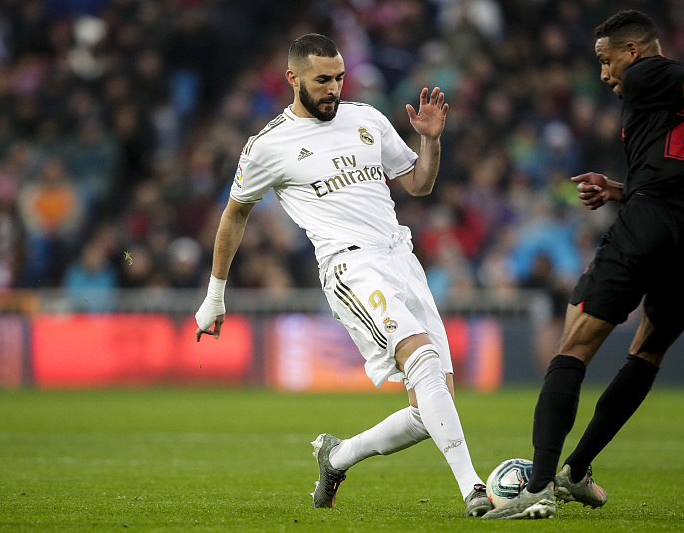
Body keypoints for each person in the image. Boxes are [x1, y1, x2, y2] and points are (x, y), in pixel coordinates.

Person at [484, 10, 684, 520]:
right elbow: (677, 170)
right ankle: (576, 471)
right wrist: (618, 190)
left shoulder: (645, 73)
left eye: (606, 61)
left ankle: (538, 487)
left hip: (652, 224)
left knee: (574, 345)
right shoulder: (682, 101)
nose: (605, 74)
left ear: (632, 51)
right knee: (647, 352)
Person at [194, 33, 493, 517]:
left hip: (401, 259)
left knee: (430, 409)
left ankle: (336, 457)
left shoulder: (367, 118)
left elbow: (419, 184)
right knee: (421, 358)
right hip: (350, 267)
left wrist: (430, 141)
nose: (333, 88)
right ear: (293, 79)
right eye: (322, 80)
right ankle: (475, 491)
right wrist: (215, 295)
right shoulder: (268, 145)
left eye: (338, 78)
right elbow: (234, 215)